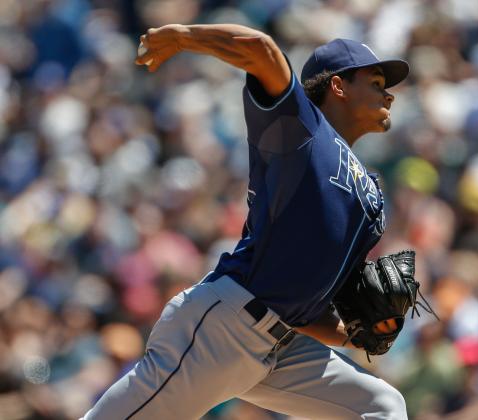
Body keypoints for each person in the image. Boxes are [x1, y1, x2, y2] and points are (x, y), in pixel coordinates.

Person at [83, 23, 410, 419]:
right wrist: (186, 36)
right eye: (375, 82)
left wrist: (356, 335)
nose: (387, 92)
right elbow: (262, 49)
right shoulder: (302, 128)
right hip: (223, 328)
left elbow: (311, 307)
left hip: (282, 346)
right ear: (338, 86)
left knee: (381, 407)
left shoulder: (372, 195)